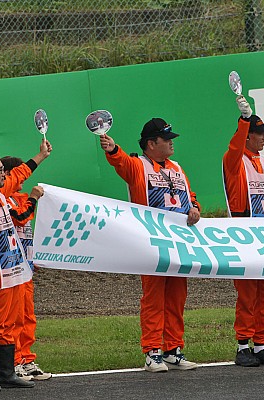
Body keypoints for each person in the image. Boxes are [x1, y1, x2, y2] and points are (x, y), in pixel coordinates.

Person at [99, 118, 201, 372]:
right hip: (151, 244)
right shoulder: (138, 166)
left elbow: (191, 196)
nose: (171, 143)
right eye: (166, 139)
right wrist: (112, 149)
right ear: (151, 144)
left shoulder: (177, 167)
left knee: (177, 298)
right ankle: (152, 351)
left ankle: (173, 350)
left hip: (179, 244)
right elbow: (120, 162)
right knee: (154, 299)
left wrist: (196, 209)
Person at [222, 95, 264, 367]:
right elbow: (234, 146)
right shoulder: (234, 160)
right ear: (247, 136)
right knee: (248, 293)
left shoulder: (262, 161)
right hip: (244, 234)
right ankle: (242, 347)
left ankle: (261, 344)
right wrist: (244, 120)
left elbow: (263, 194)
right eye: (259, 134)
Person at [0, 139, 52, 390]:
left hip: (11, 271)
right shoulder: (0, 196)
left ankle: (7, 374)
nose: (5, 175)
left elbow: (18, 174)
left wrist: (40, 156)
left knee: (7, 323)